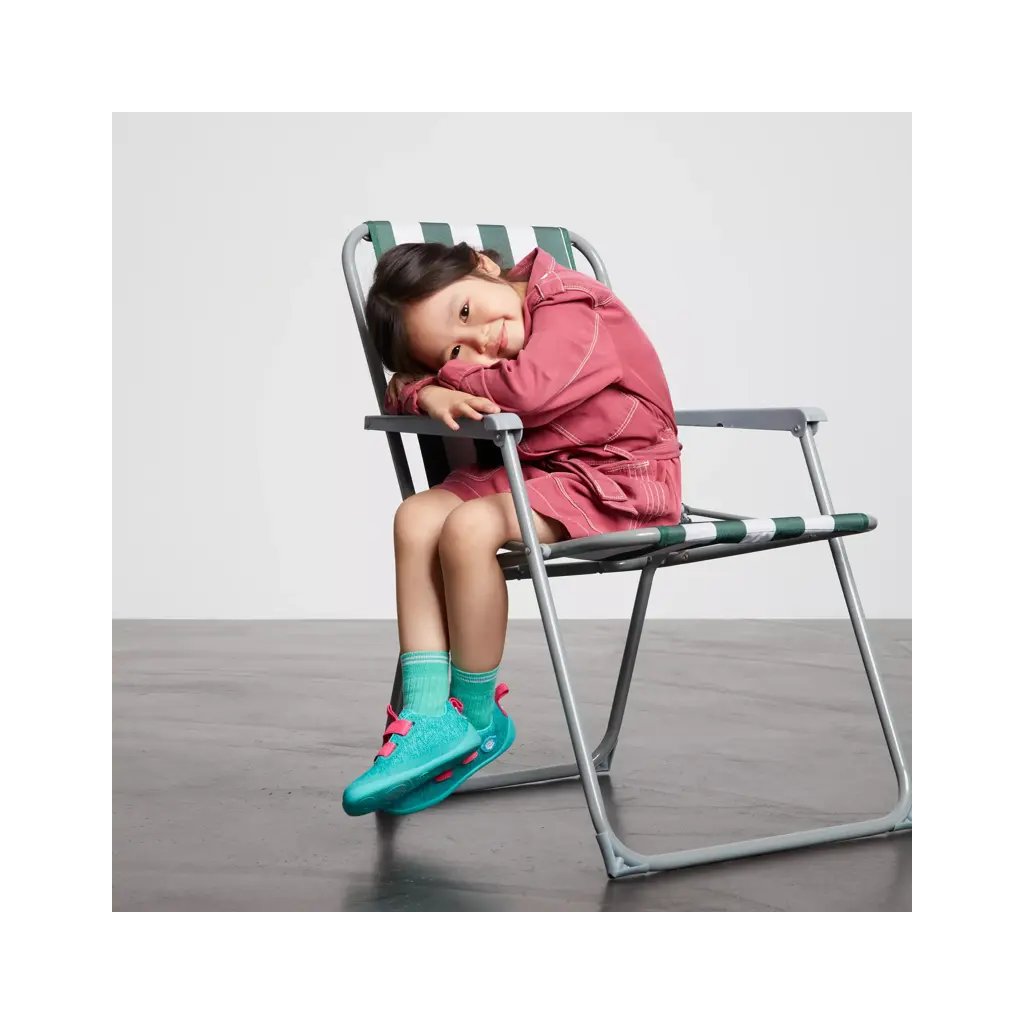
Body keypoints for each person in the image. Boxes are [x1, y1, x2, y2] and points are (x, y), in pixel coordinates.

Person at [342, 241, 682, 817]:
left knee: (470, 527)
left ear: (483, 264)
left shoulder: (574, 303)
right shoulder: (496, 332)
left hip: (622, 480)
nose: (482, 344)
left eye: (466, 312)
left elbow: (530, 391)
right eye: (455, 349)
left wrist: (444, 374)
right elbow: (397, 390)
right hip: (541, 474)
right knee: (417, 516)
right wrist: (424, 389)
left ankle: (477, 717)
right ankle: (427, 716)